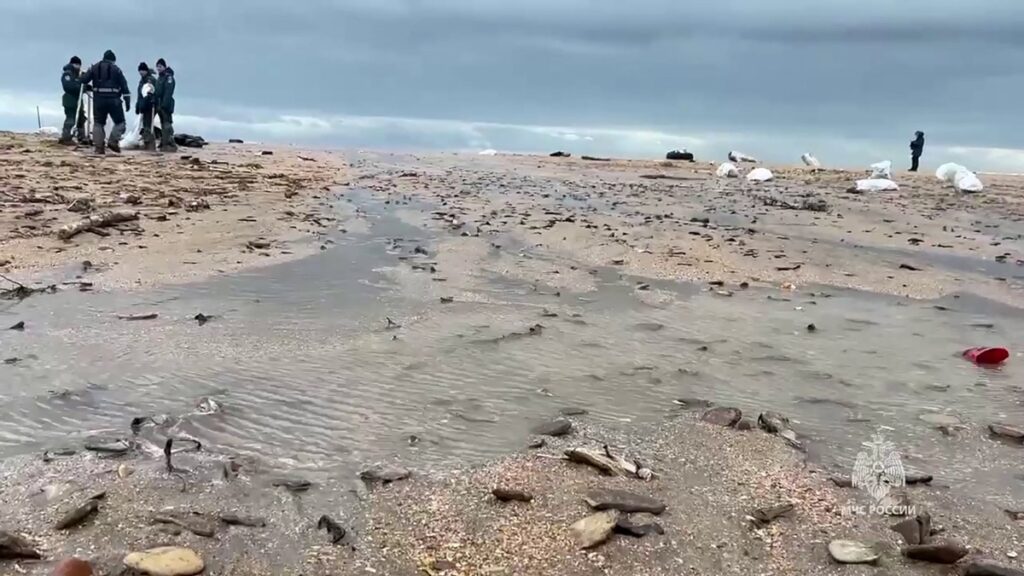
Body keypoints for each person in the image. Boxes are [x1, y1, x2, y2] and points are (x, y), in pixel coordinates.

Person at [81, 50, 131, 154]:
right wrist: (127, 101)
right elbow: (124, 86)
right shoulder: (116, 69)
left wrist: (84, 76)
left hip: (98, 100)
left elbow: (84, 80)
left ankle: (99, 148)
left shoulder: (94, 68)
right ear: (113, 60)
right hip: (114, 100)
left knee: (98, 123)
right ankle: (113, 141)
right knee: (120, 123)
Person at [59, 56, 90, 145]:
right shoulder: (67, 74)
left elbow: (80, 84)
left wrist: (86, 87)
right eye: (77, 65)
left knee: (81, 119)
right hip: (70, 100)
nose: (78, 67)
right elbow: (68, 86)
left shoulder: (78, 75)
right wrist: (80, 87)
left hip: (78, 100)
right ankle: (66, 137)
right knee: (71, 118)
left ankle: (82, 137)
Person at [154, 58, 177, 152]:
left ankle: (170, 143)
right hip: (159, 104)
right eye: (157, 67)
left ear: (164, 66)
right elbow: (158, 91)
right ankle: (164, 142)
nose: (158, 68)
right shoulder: (160, 77)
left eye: (160, 66)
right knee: (163, 123)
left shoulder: (168, 78)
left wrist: (165, 104)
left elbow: (168, 92)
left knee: (167, 123)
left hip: (166, 104)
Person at [136, 62, 157, 150]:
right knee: (145, 124)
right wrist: (138, 106)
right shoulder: (142, 80)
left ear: (146, 70)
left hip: (149, 105)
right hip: (143, 105)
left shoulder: (150, 80)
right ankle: (147, 142)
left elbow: (150, 93)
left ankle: (150, 144)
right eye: (140, 70)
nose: (141, 72)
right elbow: (140, 95)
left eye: (142, 70)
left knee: (148, 124)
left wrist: (146, 103)